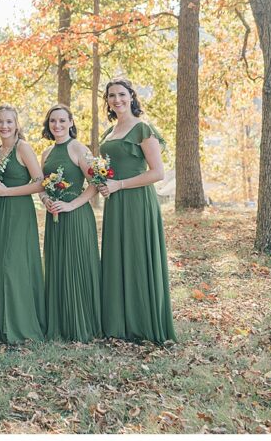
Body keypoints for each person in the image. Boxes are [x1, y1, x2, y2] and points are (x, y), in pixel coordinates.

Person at [97, 78, 176, 344]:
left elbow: (157, 173)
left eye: (121, 94)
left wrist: (118, 184)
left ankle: (143, 321)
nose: (116, 100)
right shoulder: (109, 132)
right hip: (115, 202)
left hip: (137, 201)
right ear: (107, 101)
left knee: (137, 257)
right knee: (117, 256)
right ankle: (118, 322)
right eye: (111, 96)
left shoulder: (143, 128)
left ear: (131, 96)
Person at [39, 104, 101, 342]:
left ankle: (80, 324)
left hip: (75, 215)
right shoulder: (46, 153)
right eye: (53, 121)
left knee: (76, 266)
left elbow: (95, 184)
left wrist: (71, 205)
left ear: (71, 122)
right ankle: (61, 324)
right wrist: (45, 199)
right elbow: (42, 185)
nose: (57, 125)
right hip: (54, 215)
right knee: (58, 266)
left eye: (62, 121)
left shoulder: (77, 148)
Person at [0, 105, 46, 343]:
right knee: (3, 265)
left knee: (15, 266)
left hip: (20, 211)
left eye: (9, 122)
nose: (4, 126)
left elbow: (41, 182)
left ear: (16, 124)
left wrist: (9, 191)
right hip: (2, 213)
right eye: (0, 122)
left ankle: (24, 328)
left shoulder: (22, 148)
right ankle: (6, 326)